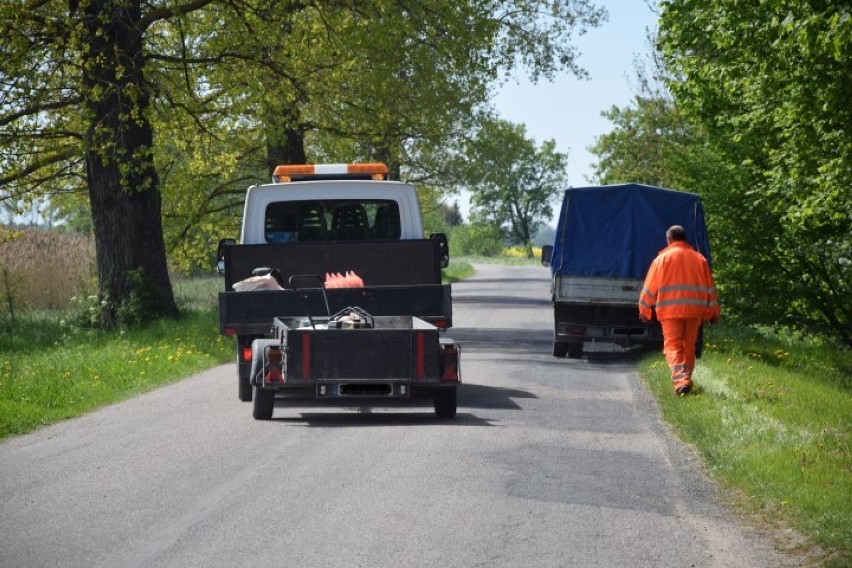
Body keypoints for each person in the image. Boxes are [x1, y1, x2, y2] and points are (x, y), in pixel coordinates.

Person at [638, 225, 719, 396]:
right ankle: (686, 380)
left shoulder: (662, 260)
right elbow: (710, 288)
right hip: (694, 310)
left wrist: (644, 309)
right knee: (688, 346)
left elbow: (649, 288)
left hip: (670, 311)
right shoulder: (700, 259)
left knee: (673, 346)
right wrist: (713, 312)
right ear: (684, 238)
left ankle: (681, 380)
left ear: (669, 240)